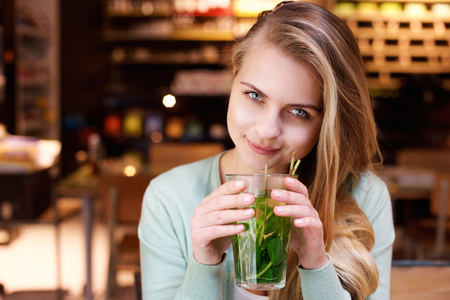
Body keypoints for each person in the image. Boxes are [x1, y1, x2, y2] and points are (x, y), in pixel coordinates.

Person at [138, 1, 395, 299]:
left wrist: (315, 264)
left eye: (299, 112)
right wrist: (204, 266)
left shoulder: (364, 199)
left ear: (328, 123)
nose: (267, 130)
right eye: (254, 95)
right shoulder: (169, 199)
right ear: (234, 76)